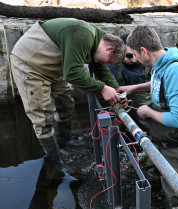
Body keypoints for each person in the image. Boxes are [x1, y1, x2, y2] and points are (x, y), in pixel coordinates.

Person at [10, 18, 127, 175]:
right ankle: (55, 164)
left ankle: (62, 143)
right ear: (110, 48)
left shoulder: (95, 40)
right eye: (109, 61)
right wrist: (102, 88)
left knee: (65, 105)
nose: (106, 65)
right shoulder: (82, 34)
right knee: (43, 118)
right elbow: (72, 73)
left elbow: (100, 69)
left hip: (52, 66)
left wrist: (115, 90)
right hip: (30, 65)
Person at [117, 24, 178, 209]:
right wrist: (133, 88)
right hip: (161, 138)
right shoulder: (159, 63)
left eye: (133, 54)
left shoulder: (176, 71)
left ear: (144, 51)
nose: (133, 60)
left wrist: (150, 113)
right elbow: (156, 85)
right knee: (153, 176)